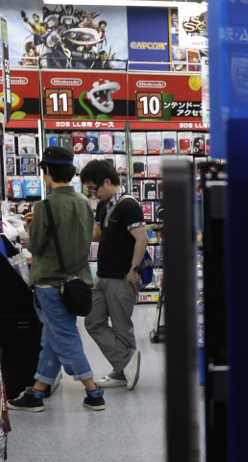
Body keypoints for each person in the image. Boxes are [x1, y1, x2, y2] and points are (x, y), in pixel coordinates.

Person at [7, 146, 103, 412]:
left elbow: (35, 246)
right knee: (52, 338)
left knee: (65, 337)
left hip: (49, 284)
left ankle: (94, 392)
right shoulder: (84, 203)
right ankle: (37, 393)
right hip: (77, 283)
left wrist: (30, 227)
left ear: (47, 170)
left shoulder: (45, 206)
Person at [80, 160, 147, 389]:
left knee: (121, 326)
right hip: (102, 275)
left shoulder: (128, 205)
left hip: (122, 277)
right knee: (92, 321)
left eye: (94, 188)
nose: (93, 193)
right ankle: (125, 363)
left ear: (107, 181)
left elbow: (141, 239)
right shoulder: (103, 204)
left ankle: (123, 373)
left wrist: (134, 270)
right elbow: (98, 233)